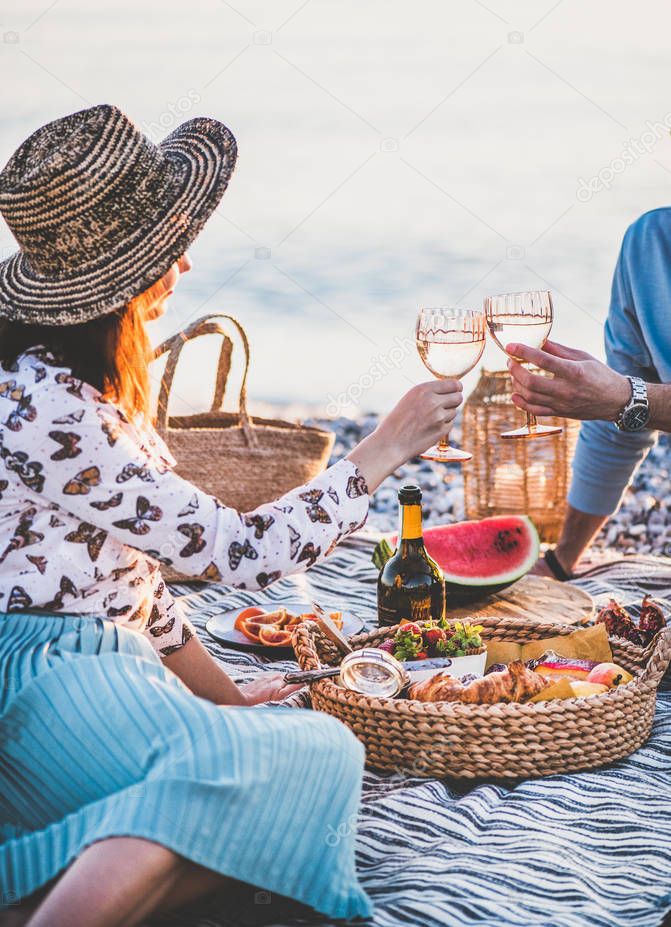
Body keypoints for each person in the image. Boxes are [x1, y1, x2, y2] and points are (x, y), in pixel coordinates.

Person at [0, 105, 464, 927]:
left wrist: (222, 698)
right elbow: (236, 552)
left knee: (287, 753)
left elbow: (139, 588)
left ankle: (69, 878)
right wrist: (384, 448)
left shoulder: (56, 381)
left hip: (91, 669)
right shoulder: (53, 409)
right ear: (118, 277)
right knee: (310, 754)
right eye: (163, 243)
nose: (183, 257)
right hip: (55, 682)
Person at [504, 209, 671, 579]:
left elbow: (625, 397)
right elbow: (619, 422)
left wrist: (623, 397)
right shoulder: (649, 242)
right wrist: (561, 561)